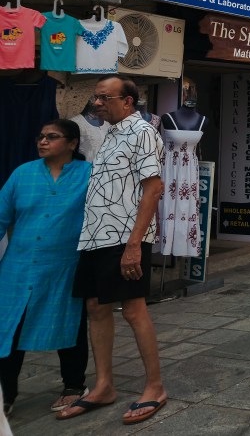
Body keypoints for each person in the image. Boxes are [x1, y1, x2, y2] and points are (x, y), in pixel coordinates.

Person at [61, 76, 167, 425]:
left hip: (123, 236)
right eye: (95, 97)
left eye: (104, 98)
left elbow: (153, 189)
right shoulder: (111, 133)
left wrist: (135, 245)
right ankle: (104, 385)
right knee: (95, 307)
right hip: (95, 236)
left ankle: (155, 387)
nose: (96, 103)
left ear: (128, 101)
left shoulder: (142, 132)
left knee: (133, 310)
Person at [0, 120, 90, 417]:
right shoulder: (22, 174)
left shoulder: (88, 176)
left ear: (72, 143)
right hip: (18, 266)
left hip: (65, 266)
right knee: (8, 329)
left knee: (70, 324)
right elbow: (1, 217)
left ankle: (74, 386)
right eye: (40, 136)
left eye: (52, 137)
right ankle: (6, 395)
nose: (43, 141)